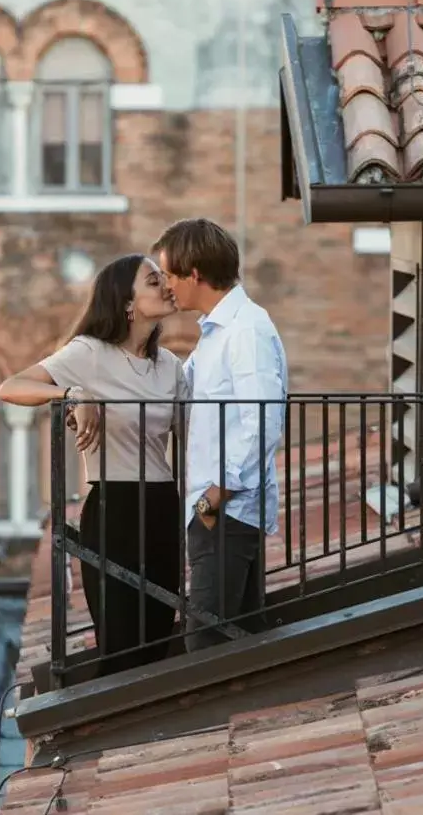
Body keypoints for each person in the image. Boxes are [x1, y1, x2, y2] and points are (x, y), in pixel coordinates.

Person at [0, 254, 187, 676]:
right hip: (113, 507)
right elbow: (11, 387)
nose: (165, 286)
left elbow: (193, 434)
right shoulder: (90, 353)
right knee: (120, 649)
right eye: (153, 281)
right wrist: (75, 394)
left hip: (162, 505)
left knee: (157, 643)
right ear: (126, 302)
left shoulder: (170, 366)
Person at [152, 219, 287, 651]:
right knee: (236, 641)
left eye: (170, 276)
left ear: (195, 274)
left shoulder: (244, 330)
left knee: (206, 644)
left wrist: (216, 494)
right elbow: (179, 395)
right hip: (218, 510)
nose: (168, 287)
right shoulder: (216, 332)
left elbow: (263, 419)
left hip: (228, 511)